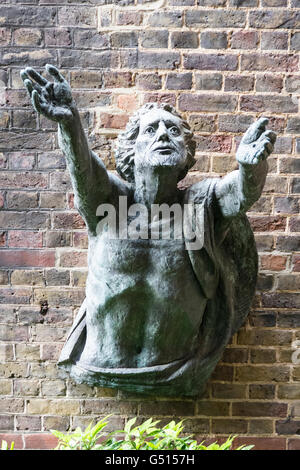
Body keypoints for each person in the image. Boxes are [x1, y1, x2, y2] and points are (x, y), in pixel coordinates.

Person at [21, 65, 276, 397]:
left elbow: (241, 192)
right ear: (131, 149)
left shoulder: (201, 205)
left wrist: (250, 167)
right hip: (98, 362)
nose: (163, 136)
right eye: (151, 130)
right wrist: (69, 123)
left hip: (177, 370)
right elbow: (83, 169)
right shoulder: (109, 202)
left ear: (187, 155)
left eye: (173, 131)